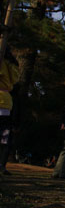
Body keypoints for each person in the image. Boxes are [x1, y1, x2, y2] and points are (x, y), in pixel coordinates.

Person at [0, 46, 20, 175]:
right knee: (3, 135)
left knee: (3, 134)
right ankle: (2, 164)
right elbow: (15, 79)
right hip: (6, 102)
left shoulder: (3, 63)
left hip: (3, 100)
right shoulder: (10, 64)